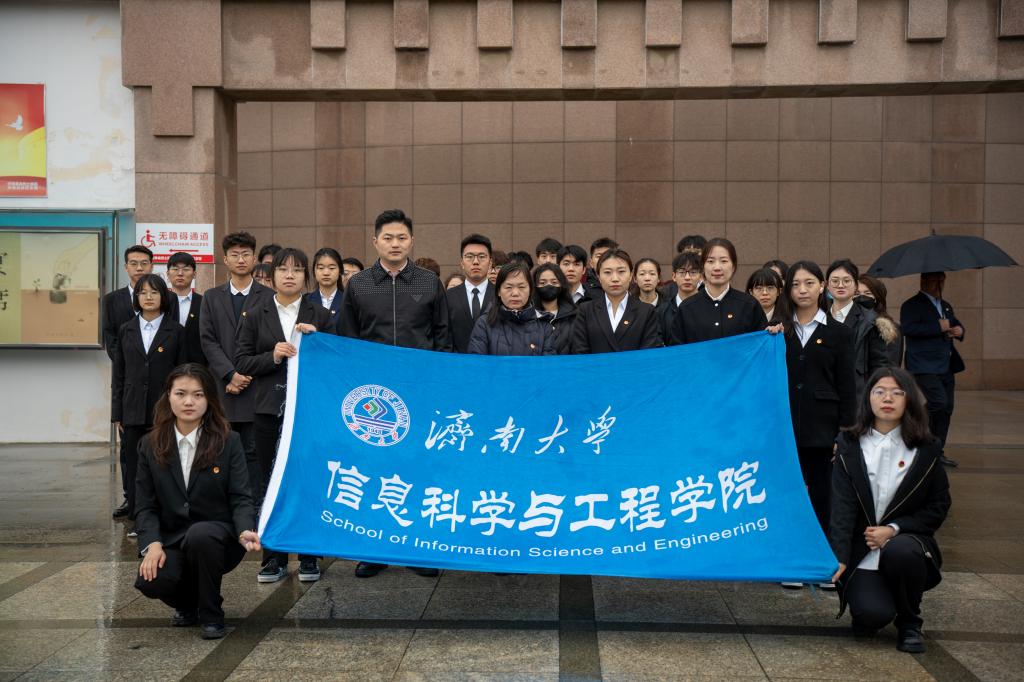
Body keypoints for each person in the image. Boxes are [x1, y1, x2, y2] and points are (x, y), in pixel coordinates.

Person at [340, 210, 449, 578]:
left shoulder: (429, 282)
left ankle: (419, 549)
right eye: (388, 238)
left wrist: (436, 384)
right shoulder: (359, 285)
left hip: (420, 393)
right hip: (375, 399)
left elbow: (443, 337)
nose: (395, 244)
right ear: (375, 242)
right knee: (376, 469)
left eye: (402, 237)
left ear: (412, 241)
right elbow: (348, 340)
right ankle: (375, 549)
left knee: (419, 468)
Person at [134, 363, 262, 640]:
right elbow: (145, 504)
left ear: (209, 399)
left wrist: (244, 529)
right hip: (172, 538)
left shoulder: (228, 441)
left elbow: (241, 496)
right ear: (168, 396)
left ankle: (212, 614)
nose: (189, 402)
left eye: (198, 394)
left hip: (217, 537)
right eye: (180, 393)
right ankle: (188, 603)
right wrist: (152, 544)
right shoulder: (149, 444)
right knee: (150, 581)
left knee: (200, 534)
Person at [830, 367, 950, 653]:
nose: (888, 398)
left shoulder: (926, 448)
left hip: (905, 544)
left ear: (909, 400)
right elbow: (842, 507)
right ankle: (877, 600)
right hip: (863, 550)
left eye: (897, 392)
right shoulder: (849, 446)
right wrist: (840, 556)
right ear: (867, 398)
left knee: (902, 550)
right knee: (872, 616)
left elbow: (938, 506)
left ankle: (909, 622)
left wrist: (894, 529)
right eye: (880, 392)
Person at [235, 247, 331, 584]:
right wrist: (272, 355)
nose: (290, 275)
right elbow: (241, 360)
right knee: (269, 481)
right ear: (271, 274)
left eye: (297, 269)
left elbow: (337, 361)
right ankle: (273, 557)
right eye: (283, 269)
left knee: (307, 479)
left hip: (308, 412)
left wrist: (317, 342)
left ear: (306, 276)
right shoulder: (254, 313)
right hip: (268, 410)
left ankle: (308, 555)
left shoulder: (320, 314)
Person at [781, 260, 857, 589]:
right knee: (790, 495)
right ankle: (793, 561)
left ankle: (824, 562)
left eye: (809, 283)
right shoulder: (779, 331)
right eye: (795, 284)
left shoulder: (839, 332)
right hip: (784, 428)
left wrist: (845, 431)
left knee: (824, 495)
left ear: (821, 286)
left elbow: (847, 387)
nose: (802, 290)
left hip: (823, 428)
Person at [199, 232, 274, 504]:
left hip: (257, 389)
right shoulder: (211, 297)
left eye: (245, 254)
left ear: (254, 258)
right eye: (235, 255)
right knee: (221, 450)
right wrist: (230, 374)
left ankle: (254, 508)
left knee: (255, 453)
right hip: (223, 389)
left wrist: (246, 374)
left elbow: (272, 341)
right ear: (225, 259)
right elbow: (208, 340)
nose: (240, 260)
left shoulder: (269, 297)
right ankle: (224, 507)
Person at [111, 274, 187, 530]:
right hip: (132, 409)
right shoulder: (126, 329)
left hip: (165, 409)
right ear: (136, 297)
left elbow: (183, 374)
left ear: (163, 296)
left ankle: (167, 516)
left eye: (154, 292)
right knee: (134, 465)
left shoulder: (176, 331)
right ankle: (138, 517)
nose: (148, 297)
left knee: (165, 463)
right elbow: (119, 374)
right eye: (143, 292)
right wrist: (117, 413)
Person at [103, 244, 154, 519]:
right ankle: (129, 497)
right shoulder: (113, 300)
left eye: (144, 263)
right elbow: (109, 338)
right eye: (133, 263)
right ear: (125, 267)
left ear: (151, 266)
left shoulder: (163, 297)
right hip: (129, 382)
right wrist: (128, 360)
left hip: (156, 383)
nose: (139, 268)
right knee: (128, 448)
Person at [900, 272, 964, 468]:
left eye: (942, 280)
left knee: (947, 408)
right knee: (938, 403)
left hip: (946, 364)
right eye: (935, 280)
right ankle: (917, 435)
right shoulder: (911, 305)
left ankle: (937, 450)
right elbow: (908, 329)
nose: (939, 284)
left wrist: (959, 330)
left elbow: (954, 323)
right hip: (923, 364)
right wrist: (937, 326)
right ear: (924, 281)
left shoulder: (945, 305)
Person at [672, 238, 766, 345]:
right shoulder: (686, 308)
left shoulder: (749, 305)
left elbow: (762, 345)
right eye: (710, 261)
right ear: (702, 267)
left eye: (724, 261)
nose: (717, 267)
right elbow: (676, 350)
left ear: (733, 266)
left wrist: (773, 331)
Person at [571, 249, 662, 353]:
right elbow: (580, 351)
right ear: (598, 276)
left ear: (631, 275)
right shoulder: (586, 310)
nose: (615, 278)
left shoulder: (646, 311)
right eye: (607, 272)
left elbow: (649, 352)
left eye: (621, 272)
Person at [827, 259, 890, 396]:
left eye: (846, 281)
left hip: (857, 394)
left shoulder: (870, 321)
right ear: (827, 286)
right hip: (823, 395)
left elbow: (879, 365)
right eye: (835, 281)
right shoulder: (818, 317)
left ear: (856, 285)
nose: (840, 285)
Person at [468, 262, 557, 356]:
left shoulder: (544, 326)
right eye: (508, 287)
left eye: (521, 287)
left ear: (530, 290)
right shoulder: (484, 324)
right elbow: (476, 361)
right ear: (498, 291)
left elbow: (549, 363)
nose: (515, 293)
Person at [447, 234, 494, 353]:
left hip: (492, 361)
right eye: (469, 257)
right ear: (462, 263)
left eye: (482, 257)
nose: (476, 262)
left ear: (490, 262)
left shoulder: (500, 296)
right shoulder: (448, 296)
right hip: (457, 361)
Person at [167, 252, 206, 365]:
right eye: (175, 269)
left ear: (194, 274)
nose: (180, 273)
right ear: (168, 274)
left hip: (196, 366)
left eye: (186, 269)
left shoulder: (204, 303)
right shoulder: (160, 303)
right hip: (165, 366)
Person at [858, 275, 903, 368]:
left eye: (867, 293)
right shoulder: (846, 323)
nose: (861, 297)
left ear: (877, 297)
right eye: (856, 293)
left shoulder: (889, 328)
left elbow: (892, 362)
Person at [533, 263, 577, 355]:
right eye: (542, 283)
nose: (549, 285)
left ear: (562, 285)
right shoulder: (529, 316)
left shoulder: (574, 316)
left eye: (554, 282)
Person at [307, 247, 344, 334]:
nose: (326, 273)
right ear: (314, 271)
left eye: (332, 268)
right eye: (321, 268)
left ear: (340, 271)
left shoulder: (349, 301)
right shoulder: (306, 301)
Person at [663, 235, 707, 301]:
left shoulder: (711, 287)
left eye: (697, 252)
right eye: (688, 252)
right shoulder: (668, 289)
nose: (691, 256)